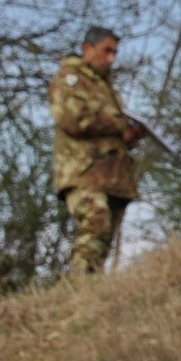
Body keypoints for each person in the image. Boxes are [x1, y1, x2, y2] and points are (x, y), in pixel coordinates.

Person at [48, 26, 144, 275]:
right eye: (106, 51)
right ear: (87, 49)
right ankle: (79, 289)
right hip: (83, 173)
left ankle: (89, 293)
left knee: (103, 241)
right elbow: (73, 119)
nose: (111, 58)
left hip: (113, 177)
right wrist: (118, 124)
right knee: (95, 224)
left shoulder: (106, 89)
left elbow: (113, 133)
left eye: (115, 53)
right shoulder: (70, 79)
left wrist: (130, 135)